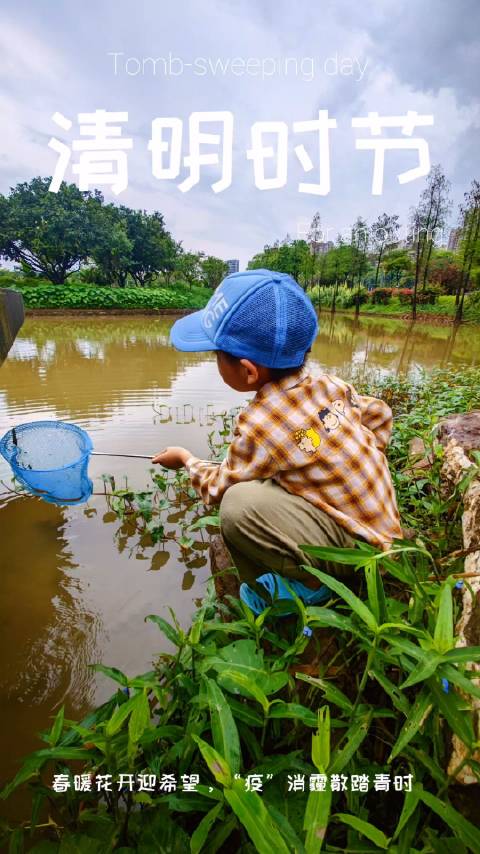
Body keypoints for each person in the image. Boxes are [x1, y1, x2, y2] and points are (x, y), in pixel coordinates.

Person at [153, 269, 402, 612]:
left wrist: (185, 459)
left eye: (217, 356)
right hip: (385, 528)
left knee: (237, 507)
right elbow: (380, 414)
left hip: (358, 554)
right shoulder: (331, 385)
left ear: (248, 371)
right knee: (278, 474)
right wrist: (344, 460)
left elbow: (217, 489)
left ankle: (311, 587)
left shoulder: (259, 423)